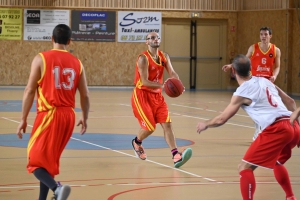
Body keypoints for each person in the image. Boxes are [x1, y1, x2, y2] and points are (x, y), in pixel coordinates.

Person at [196, 54, 299, 200]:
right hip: (293, 124)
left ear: (234, 72)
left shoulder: (241, 92)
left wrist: (205, 124)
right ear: (251, 69)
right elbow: (290, 102)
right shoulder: (265, 81)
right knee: (276, 161)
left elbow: (221, 119)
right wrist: (297, 128)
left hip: (277, 129)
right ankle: (290, 197)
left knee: (244, 168)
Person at [16, 24, 90, 200]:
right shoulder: (77, 63)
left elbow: (29, 90)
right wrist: (84, 118)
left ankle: (56, 189)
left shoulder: (41, 58)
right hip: (69, 116)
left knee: (34, 161)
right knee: (47, 162)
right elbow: (85, 95)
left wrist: (23, 119)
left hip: (49, 114)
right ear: (70, 41)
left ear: (52, 38)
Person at [131, 32, 192, 168]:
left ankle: (176, 155)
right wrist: (163, 85)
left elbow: (172, 73)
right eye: (152, 38)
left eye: (157, 37)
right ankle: (136, 142)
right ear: (147, 42)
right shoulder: (143, 58)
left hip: (158, 96)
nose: (155, 39)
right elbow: (145, 81)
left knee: (167, 125)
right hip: (142, 95)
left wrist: (178, 83)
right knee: (150, 127)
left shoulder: (164, 56)